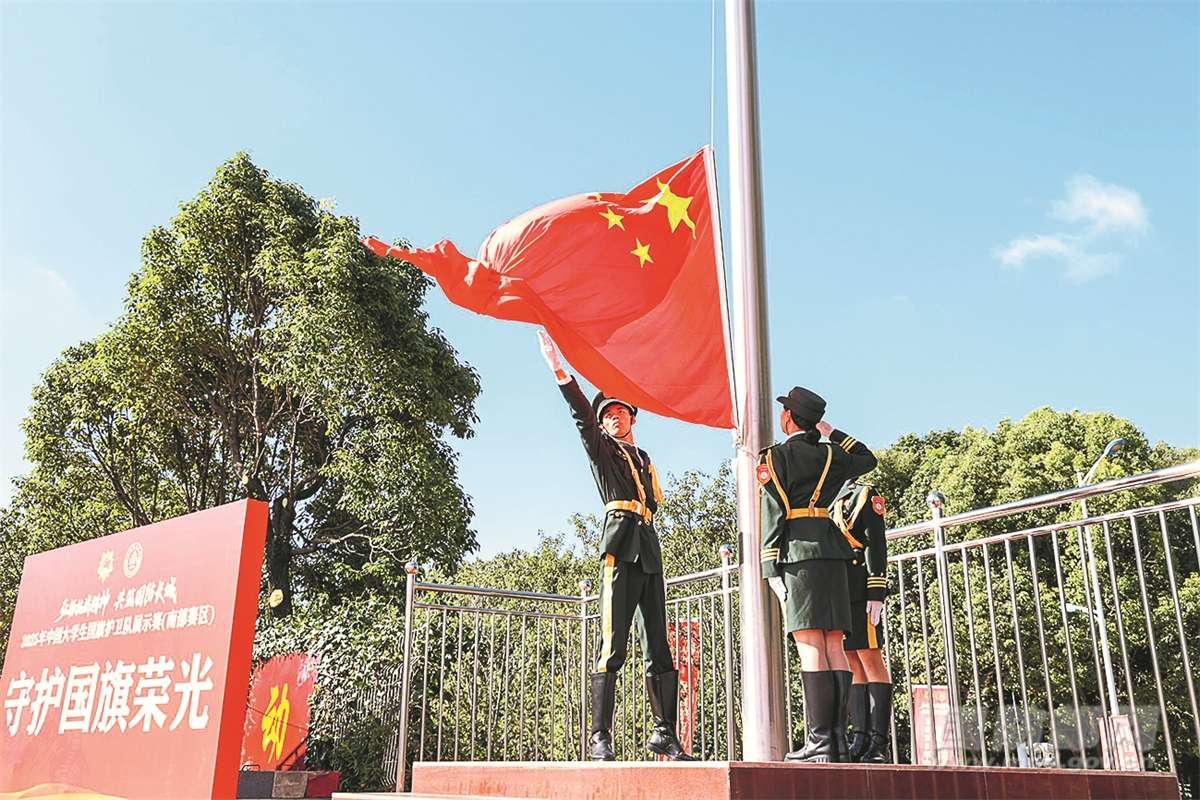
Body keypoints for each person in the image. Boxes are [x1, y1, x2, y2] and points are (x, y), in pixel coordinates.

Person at [537, 330, 695, 762]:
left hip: (648, 549)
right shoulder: (602, 451)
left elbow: (653, 504)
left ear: (632, 419)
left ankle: (664, 732)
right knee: (613, 644)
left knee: (659, 646)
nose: (615, 418)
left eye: (621, 413)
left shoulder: (643, 459)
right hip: (620, 548)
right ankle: (599, 736)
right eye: (608, 414)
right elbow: (582, 420)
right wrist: (560, 372)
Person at [758, 387, 877, 763]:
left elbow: (772, 512)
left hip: (798, 553)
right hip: (833, 552)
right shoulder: (832, 454)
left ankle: (820, 741)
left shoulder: (775, 457)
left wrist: (769, 565)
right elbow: (867, 458)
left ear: (788, 417)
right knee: (834, 644)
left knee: (810, 643)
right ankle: (837, 741)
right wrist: (832, 433)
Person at [832, 481, 893, 763]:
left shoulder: (865, 493)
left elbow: (875, 542)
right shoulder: (831, 494)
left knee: (870, 657)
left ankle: (879, 743)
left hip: (862, 586)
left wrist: (876, 590)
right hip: (841, 588)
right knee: (852, 661)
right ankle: (860, 738)